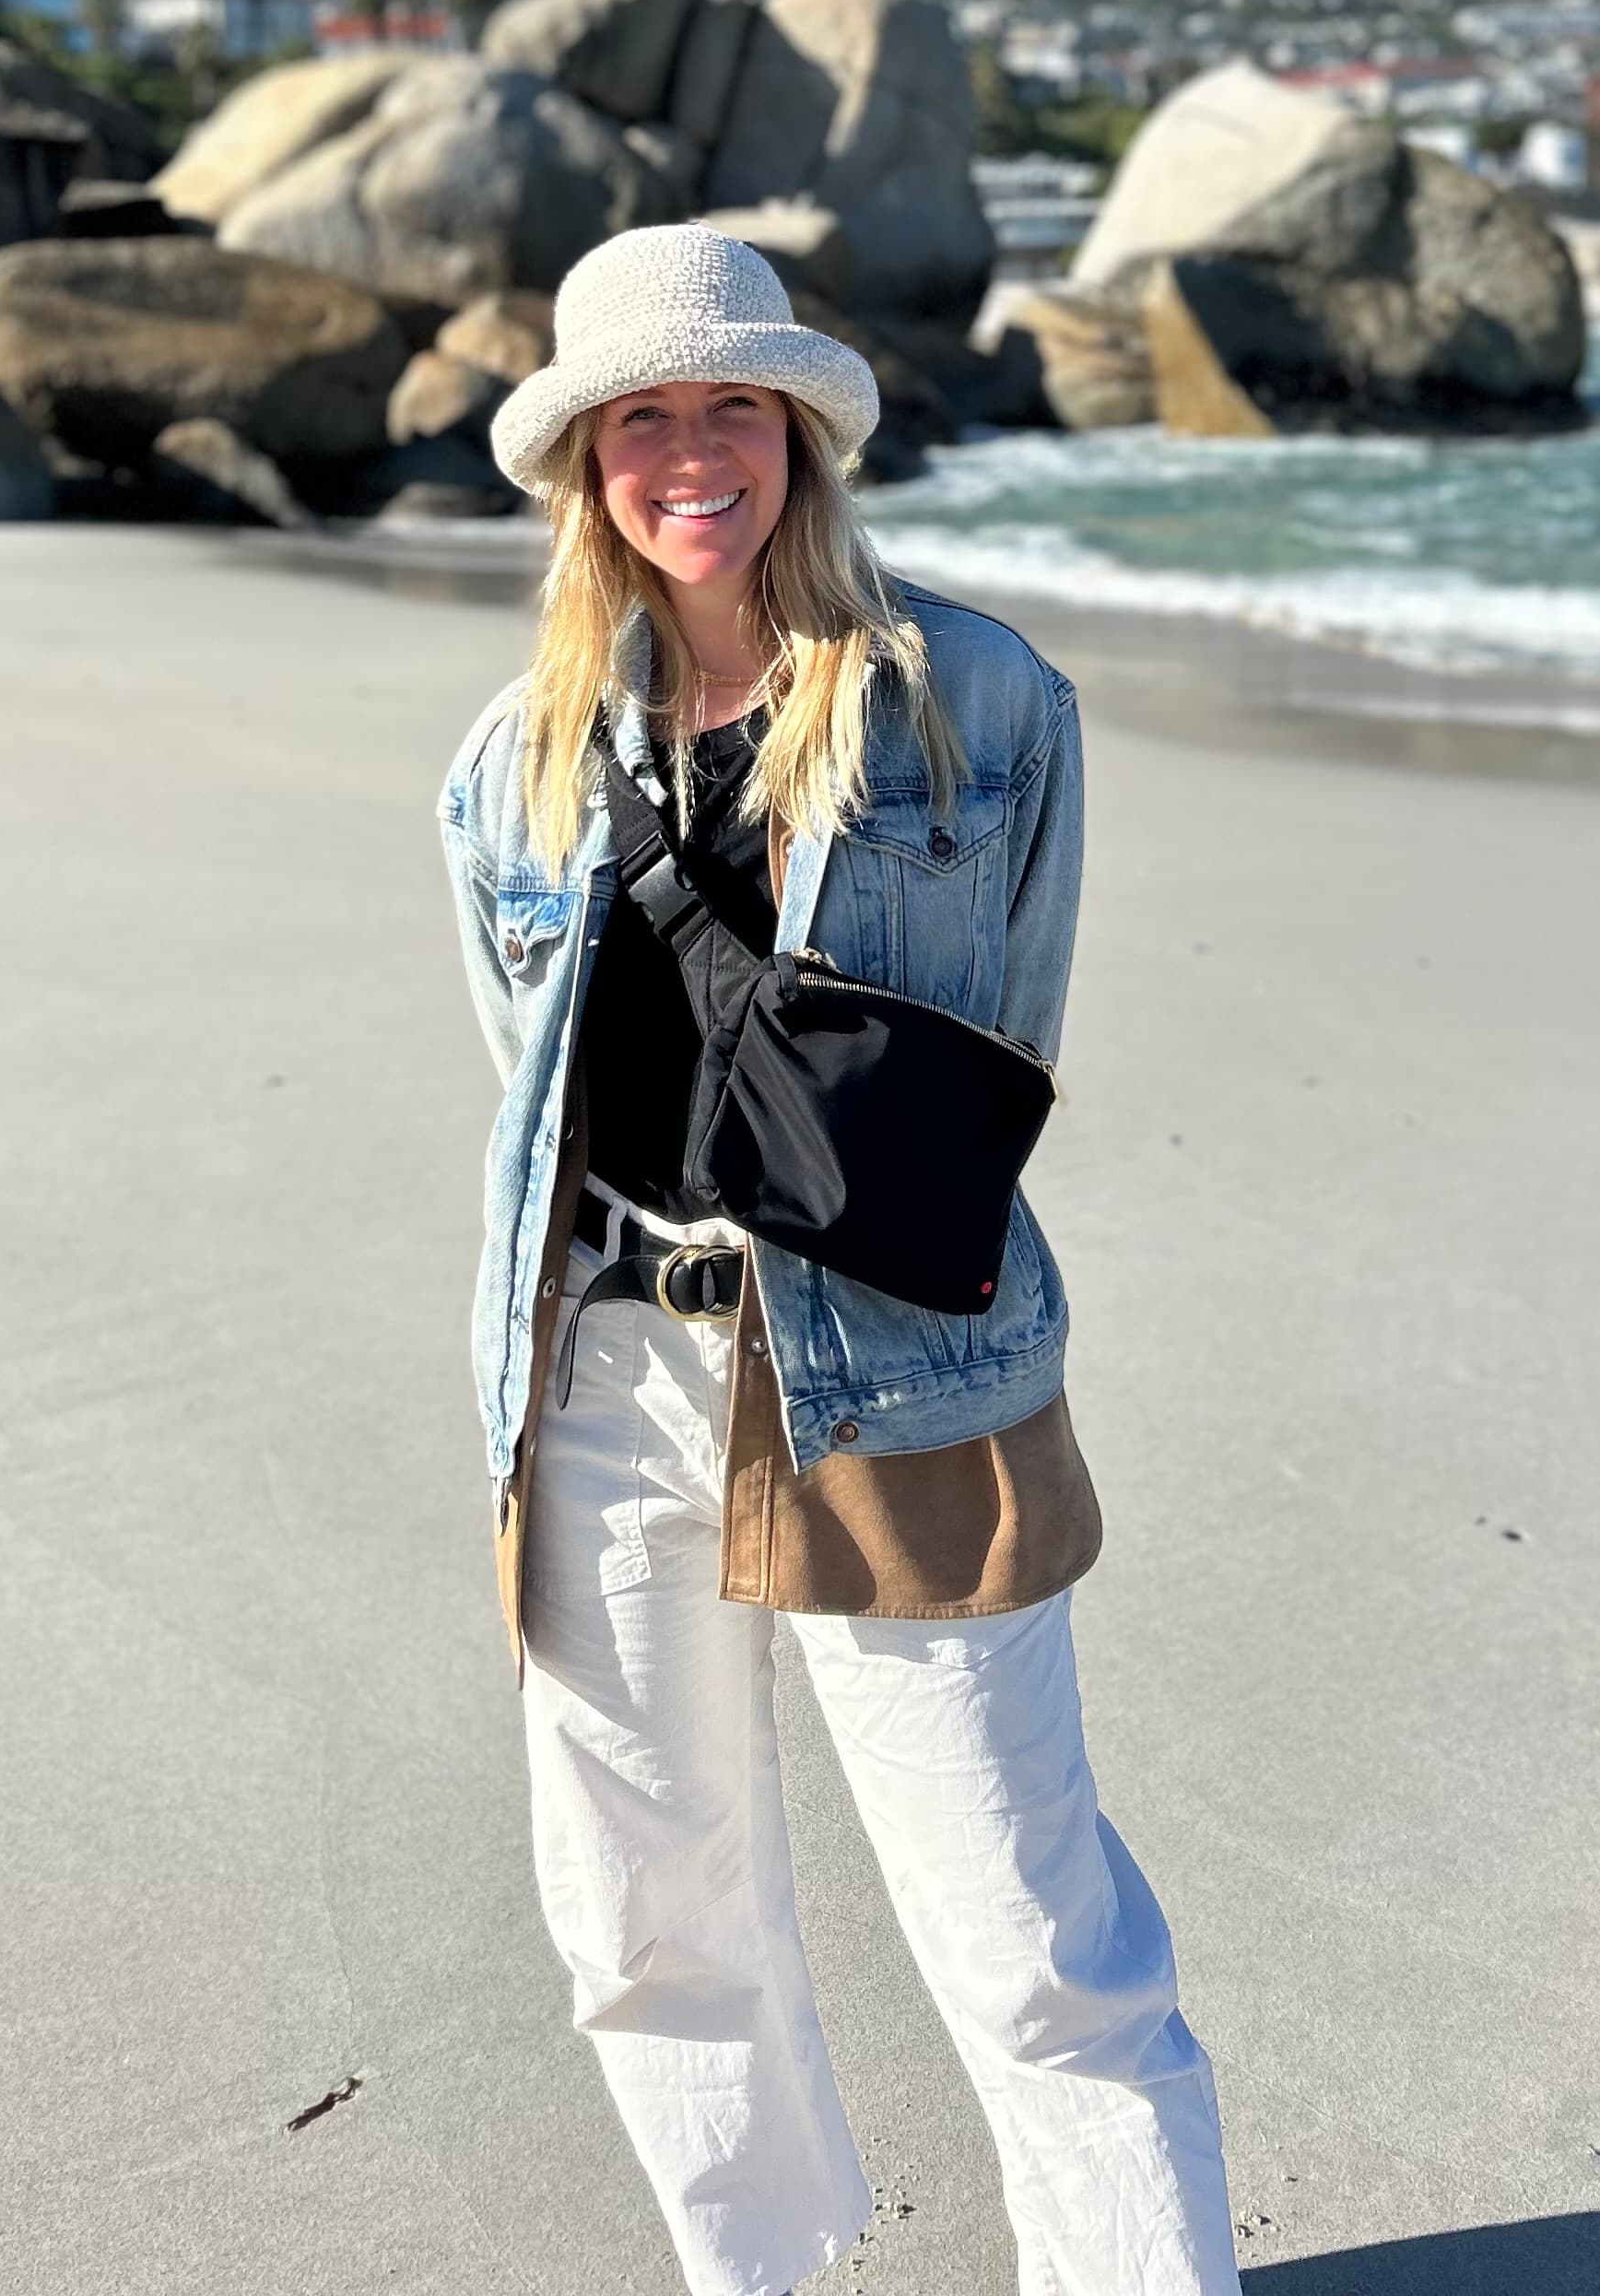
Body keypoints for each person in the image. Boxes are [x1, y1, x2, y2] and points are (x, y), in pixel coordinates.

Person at [437, 223, 1241, 2296]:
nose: (690, 456)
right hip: (611, 1380)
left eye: (732, 409)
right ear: (586, 464)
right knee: (646, 1928)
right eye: (644, 419)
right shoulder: (500, 770)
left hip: (902, 1371)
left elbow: (1003, 1052)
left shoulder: (974, 700)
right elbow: (538, 1116)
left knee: (1026, 1930)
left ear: (799, 434)